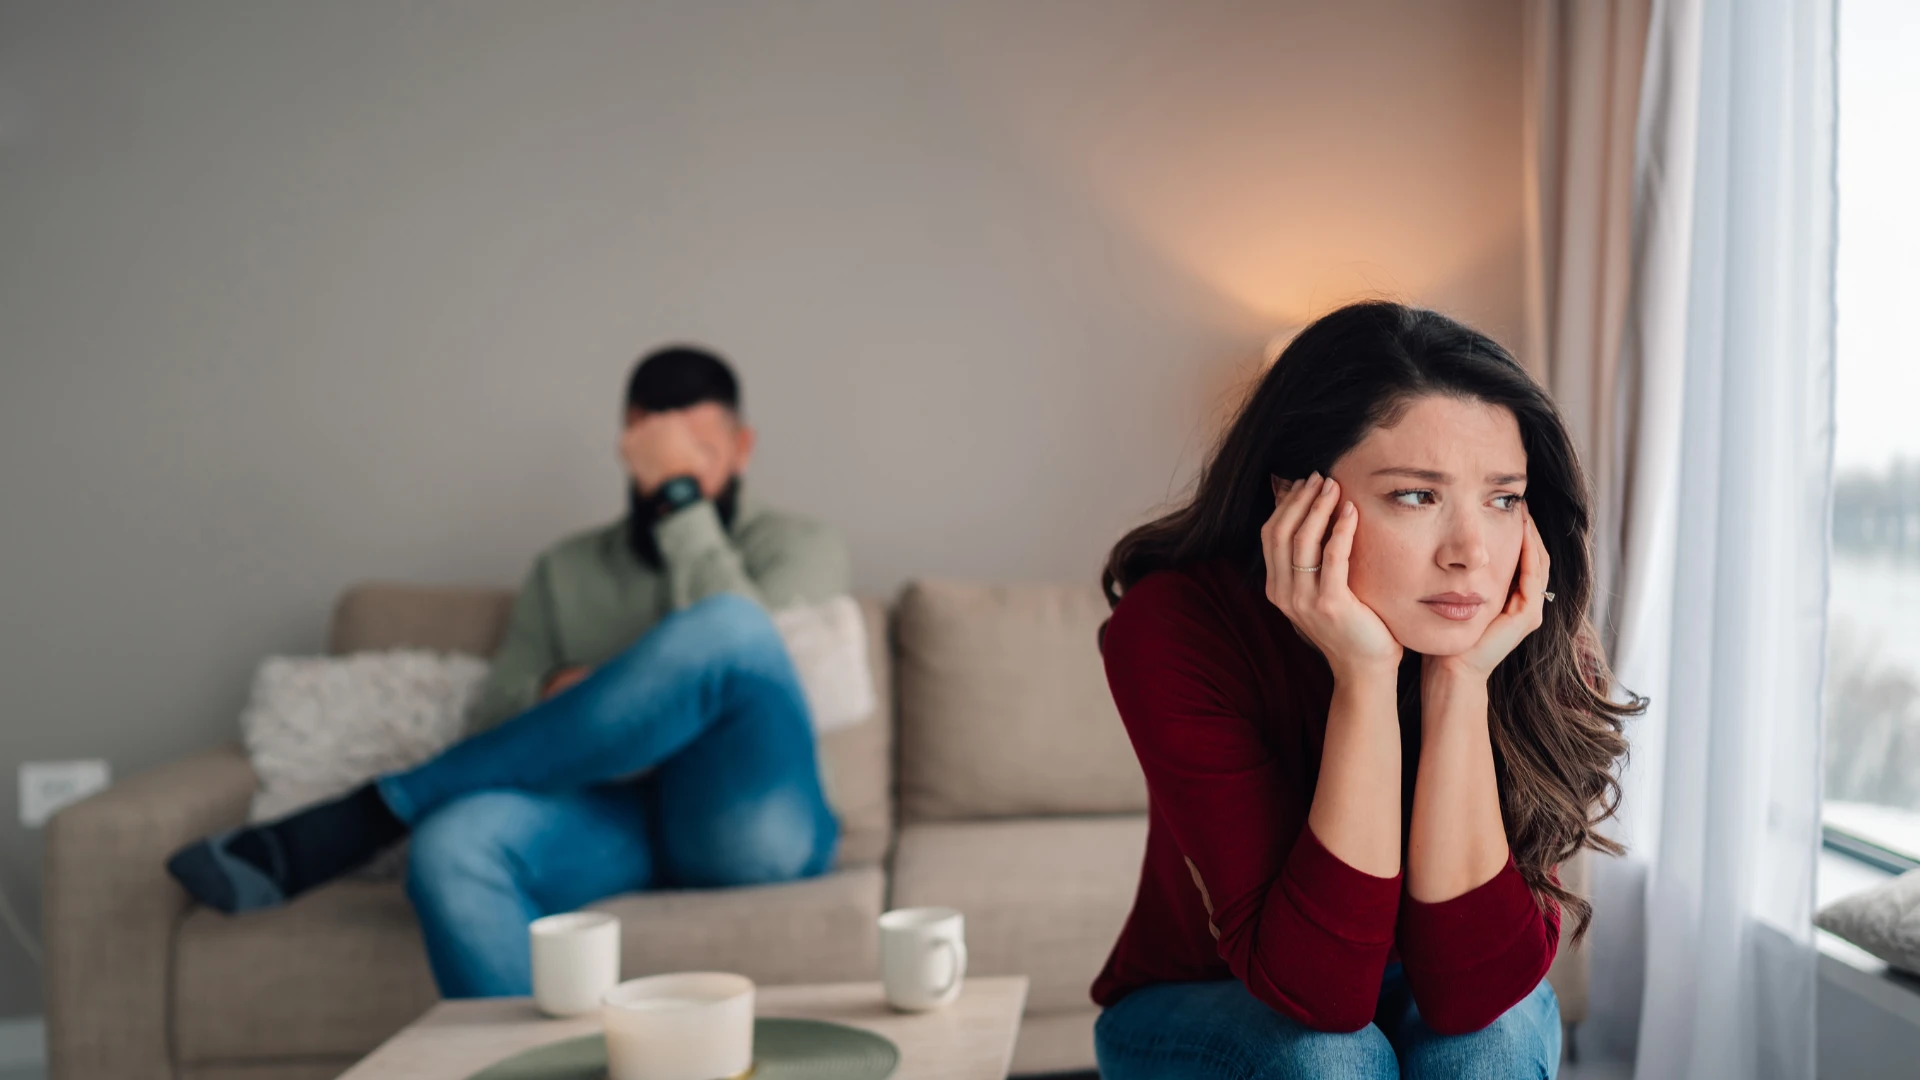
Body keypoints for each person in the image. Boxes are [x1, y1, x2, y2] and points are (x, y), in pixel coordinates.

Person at [167, 345, 851, 997]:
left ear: (743, 448)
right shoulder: (564, 569)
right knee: (450, 847)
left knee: (731, 626)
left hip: (744, 816)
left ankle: (383, 806)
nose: (675, 469)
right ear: (626, 444)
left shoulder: (800, 547)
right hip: (614, 818)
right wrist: (558, 694)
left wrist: (679, 499)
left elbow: (753, 661)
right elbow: (498, 713)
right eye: (654, 453)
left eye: (699, 453)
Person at [1089, 302, 1639, 1079]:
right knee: (1327, 1059)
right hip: (1197, 1002)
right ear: (1295, 499)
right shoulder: (1177, 626)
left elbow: (1472, 993)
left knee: (1495, 1043)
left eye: (1504, 498)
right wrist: (1365, 675)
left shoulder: (1530, 638)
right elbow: (1317, 994)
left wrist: (1461, 682)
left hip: (1422, 992)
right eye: (1417, 496)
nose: (1472, 555)